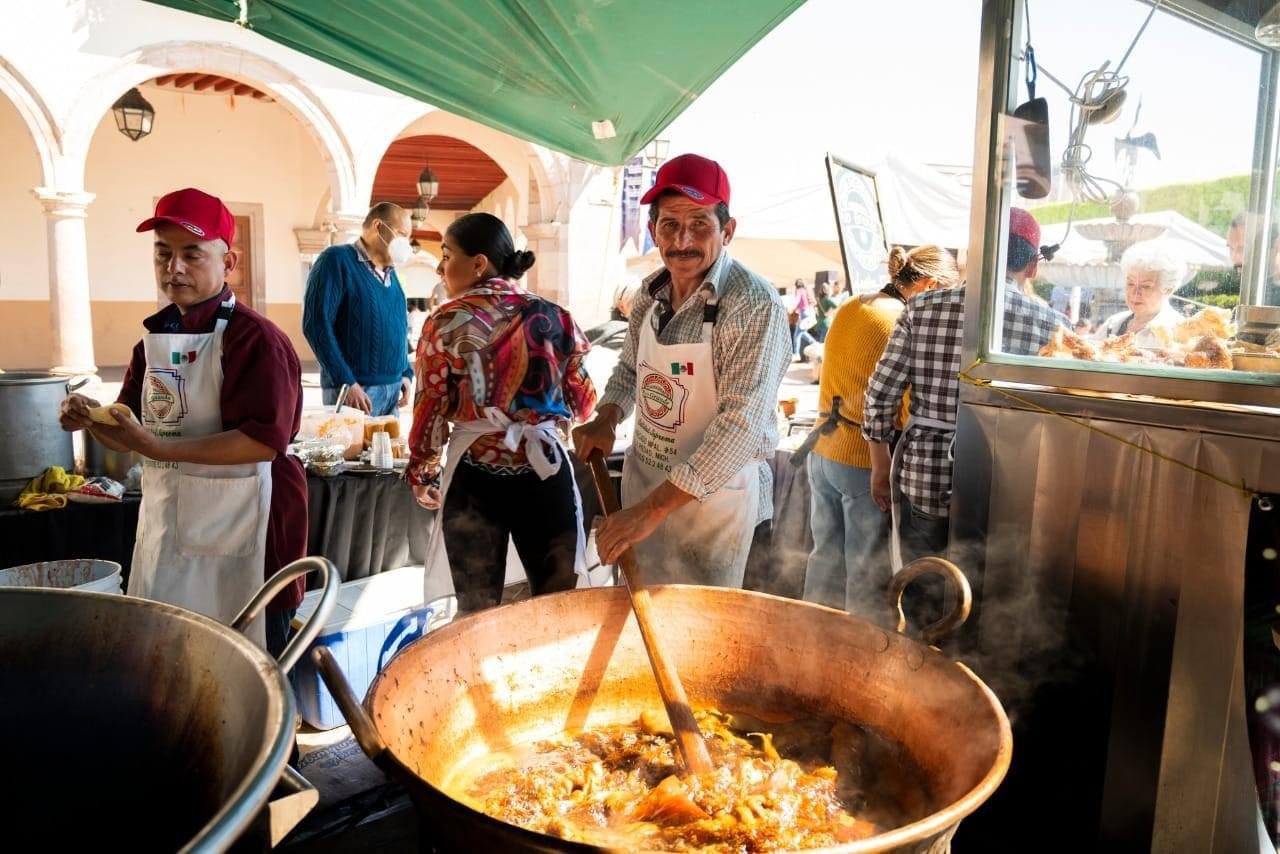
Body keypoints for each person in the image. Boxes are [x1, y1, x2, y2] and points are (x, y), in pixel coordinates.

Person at [58, 188, 306, 654]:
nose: (174, 268)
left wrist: (158, 450)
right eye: (163, 254)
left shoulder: (256, 340)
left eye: (192, 254)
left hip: (250, 518)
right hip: (169, 516)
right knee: (176, 654)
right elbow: (128, 423)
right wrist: (89, 419)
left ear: (228, 261)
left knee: (254, 663)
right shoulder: (154, 339)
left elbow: (261, 442)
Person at [573, 153, 791, 587]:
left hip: (715, 507)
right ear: (653, 229)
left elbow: (740, 428)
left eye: (699, 224)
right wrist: (607, 416)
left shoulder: (751, 303)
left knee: (707, 635)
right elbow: (631, 370)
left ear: (727, 230)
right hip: (647, 483)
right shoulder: (650, 295)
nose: (682, 240)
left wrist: (649, 512)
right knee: (639, 623)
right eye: (669, 224)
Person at [405, 213, 596, 613]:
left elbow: (429, 407)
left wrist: (423, 471)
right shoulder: (556, 316)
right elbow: (584, 402)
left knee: (477, 610)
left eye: (446, 255)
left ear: (478, 263)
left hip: (476, 478)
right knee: (556, 606)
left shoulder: (445, 321)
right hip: (545, 473)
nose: (440, 267)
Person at [863, 207, 1064, 570]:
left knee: (920, 590)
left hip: (927, 476)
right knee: (989, 599)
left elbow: (881, 393)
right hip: (1007, 488)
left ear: (976, 255)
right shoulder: (1051, 325)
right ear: (1033, 267)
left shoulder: (921, 307)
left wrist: (880, 465)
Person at [796, 245, 958, 617]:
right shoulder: (901, 318)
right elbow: (897, 404)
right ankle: (858, 659)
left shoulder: (853, 304)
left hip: (822, 452)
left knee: (824, 559)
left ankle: (806, 642)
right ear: (929, 283)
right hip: (860, 461)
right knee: (863, 571)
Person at [303, 202, 415, 416]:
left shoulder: (392, 276)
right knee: (352, 450)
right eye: (402, 234)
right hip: (355, 391)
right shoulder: (336, 260)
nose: (406, 243)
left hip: (392, 392)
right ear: (378, 226)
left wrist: (406, 373)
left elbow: (399, 330)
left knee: (387, 450)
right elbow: (316, 325)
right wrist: (346, 382)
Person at [1098, 241, 1187, 347]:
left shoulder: (1179, 331)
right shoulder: (1113, 324)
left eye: (1146, 286)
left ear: (1168, 289)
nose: (1134, 293)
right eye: (1130, 284)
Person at [791, 279, 819, 361]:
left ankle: (796, 354)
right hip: (807, 313)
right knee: (801, 333)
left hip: (804, 314)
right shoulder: (806, 290)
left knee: (797, 335)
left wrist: (791, 307)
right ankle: (815, 343)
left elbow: (796, 300)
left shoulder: (799, 291)